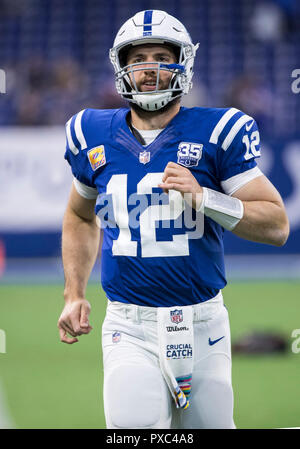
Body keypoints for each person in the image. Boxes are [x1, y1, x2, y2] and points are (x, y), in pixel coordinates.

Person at [57, 10, 289, 429]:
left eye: (161, 56)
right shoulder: (89, 132)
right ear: (121, 66)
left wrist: (205, 197)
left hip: (204, 324)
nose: (149, 68)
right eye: (138, 58)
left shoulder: (219, 130)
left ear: (182, 63)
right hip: (129, 324)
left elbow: (276, 225)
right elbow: (79, 214)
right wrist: (74, 292)